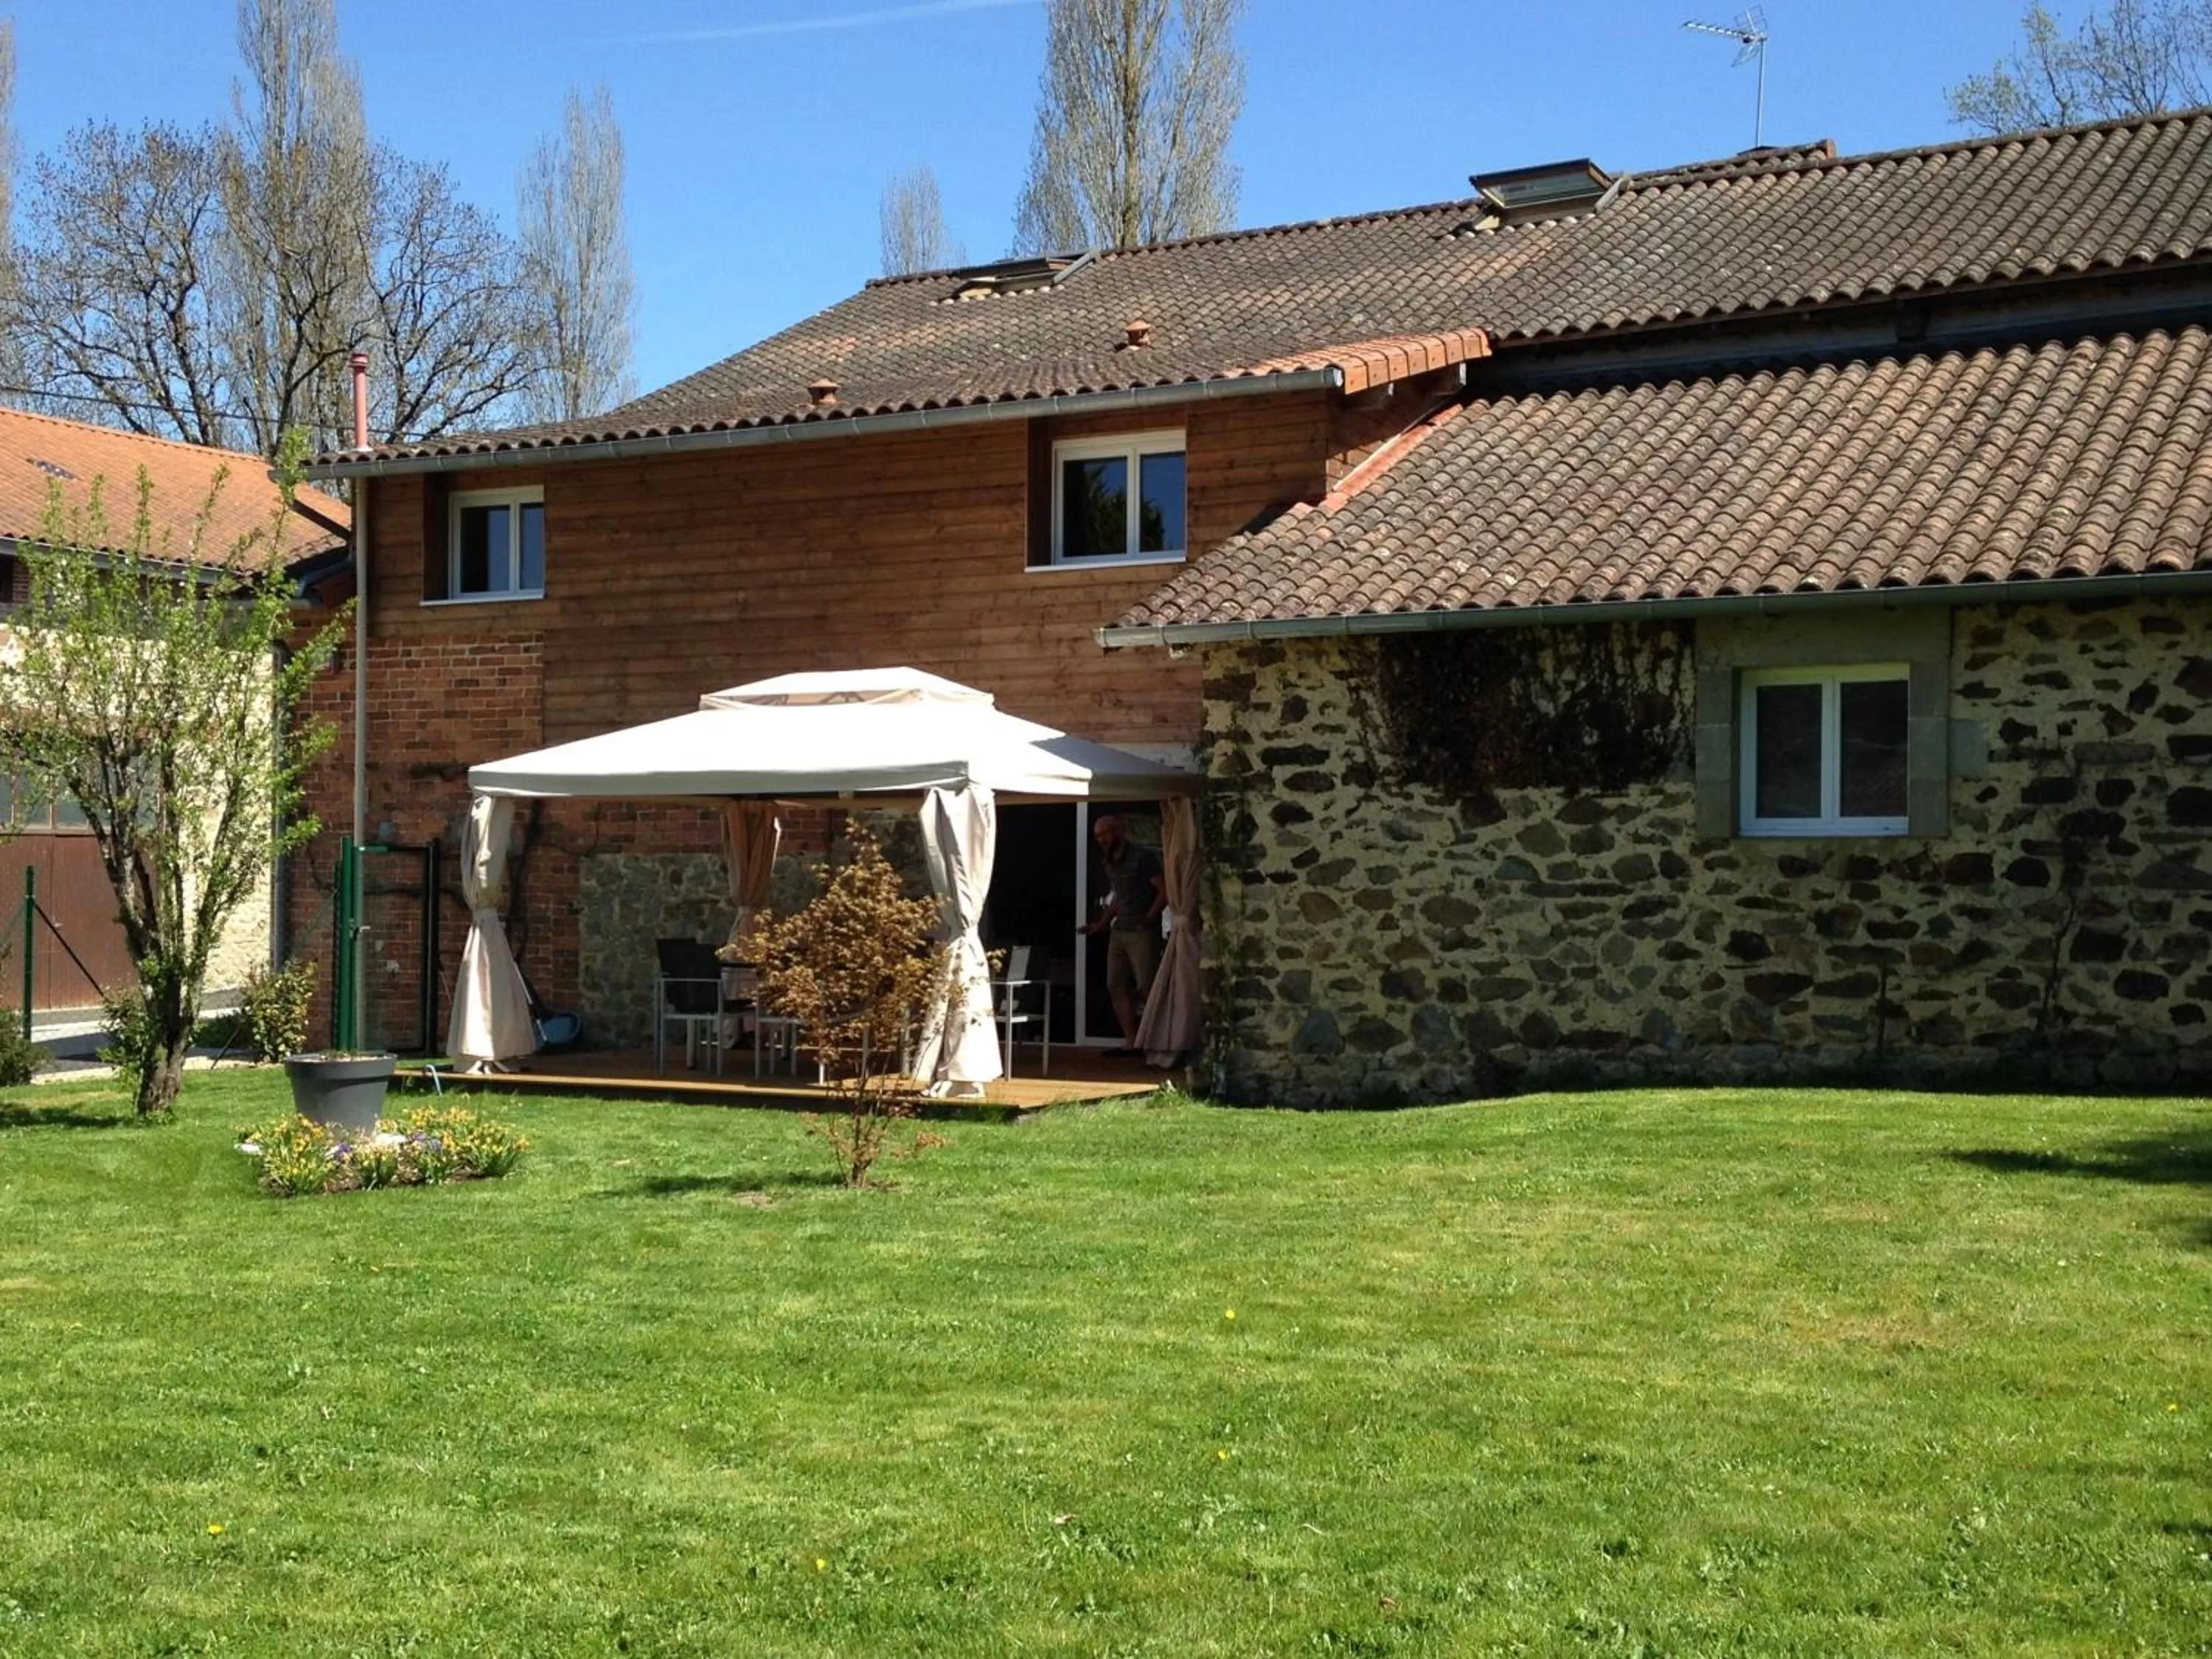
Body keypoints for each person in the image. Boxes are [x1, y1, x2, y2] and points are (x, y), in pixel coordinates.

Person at [1079, 813, 1166, 1057]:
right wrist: (1101, 924)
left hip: (1141, 931)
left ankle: (1156, 1043)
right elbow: (1118, 895)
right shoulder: (1109, 861)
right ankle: (1132, 1041)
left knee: (1147, 986)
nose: (1102, 840)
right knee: (1115, 985)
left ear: (1119, 831)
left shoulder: (1143, 857)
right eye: (1098, 836)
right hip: (1119, 931)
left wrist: (1149, 917)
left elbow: (1165, 889)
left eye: (1106, 834)